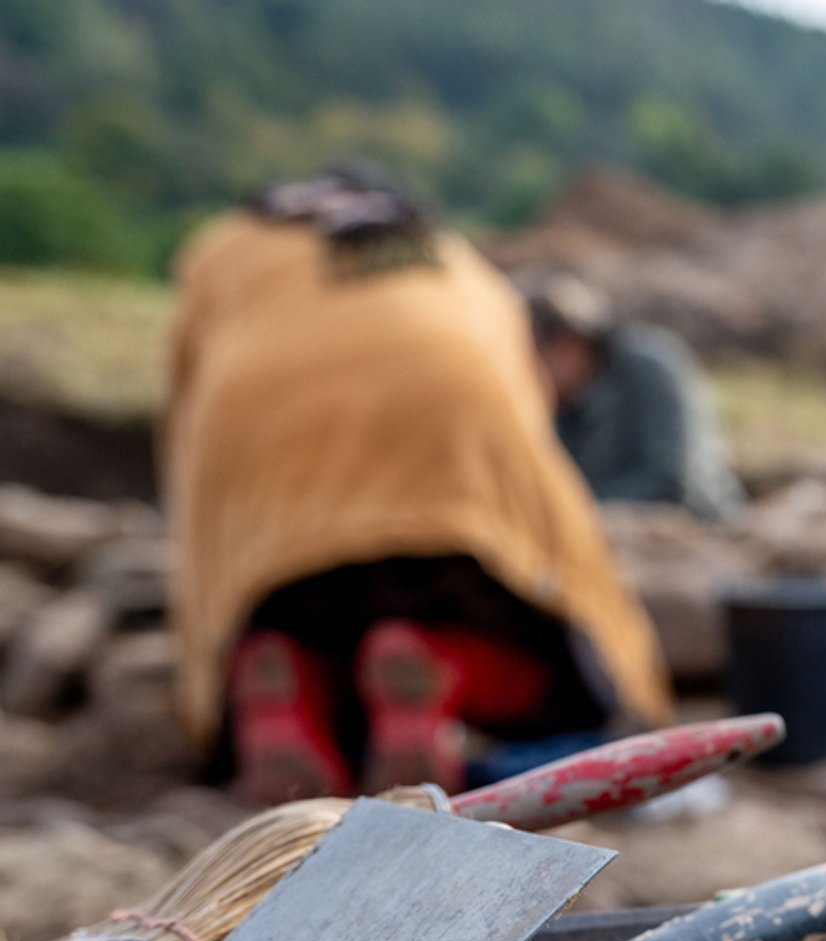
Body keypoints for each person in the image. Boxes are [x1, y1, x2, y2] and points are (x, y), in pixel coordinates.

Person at [165, 166, 672, 805]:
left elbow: (186, 413)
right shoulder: (450, 254)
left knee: (300, 614)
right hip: (451, 425)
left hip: (266, 432)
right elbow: (526, 417)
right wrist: (627, 671)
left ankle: (285, 679)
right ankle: (440, 664)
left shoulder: (225, 246)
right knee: (565, 678)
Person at [526, 274, 746, 521]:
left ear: (571, 345)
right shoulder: (553, 402)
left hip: (695, 529)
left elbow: (669, 481)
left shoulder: (651, 370)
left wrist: (572, 511)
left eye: (535, 357)